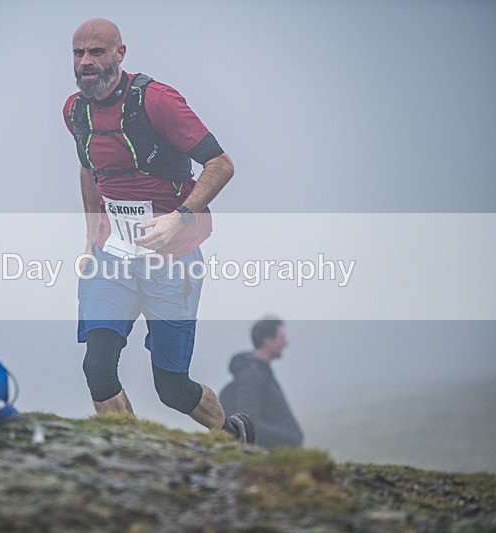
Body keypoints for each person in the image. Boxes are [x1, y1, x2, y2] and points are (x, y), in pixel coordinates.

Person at [63, 18, 254, 443]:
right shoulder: (76, 111)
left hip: (174, 257)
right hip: (114, 254)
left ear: (120, 53)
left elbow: (221, 165)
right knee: (97, 366)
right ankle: (131, 461)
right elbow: (89, 168)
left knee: (171, 387)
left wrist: (179, 217)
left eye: (97, 52)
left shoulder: (157, 101)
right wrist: (92, 236)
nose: (86, 62)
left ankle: (233, 437)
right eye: (79, 53)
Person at [219, 318, 304, 449]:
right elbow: (249, 423)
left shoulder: (259, 372)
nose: (286, 343)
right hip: (266, 458)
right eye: (281, 338)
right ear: (268, 342)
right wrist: (290, 438)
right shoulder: (252, 376)